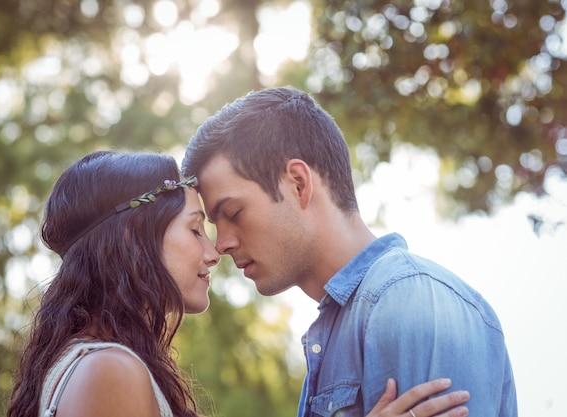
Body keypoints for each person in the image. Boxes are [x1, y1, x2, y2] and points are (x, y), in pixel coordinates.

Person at [7, 150, 468, 417]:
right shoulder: (110, 370)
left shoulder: (107, 365)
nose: (214, 252)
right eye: (195, 229)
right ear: (132, 237)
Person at [182, 87, 517, 417]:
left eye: (234, 214)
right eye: (213, 224)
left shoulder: (403, 299)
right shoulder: (334, 336)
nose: (220, 244)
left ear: (298, 183)